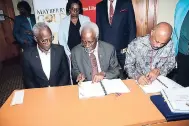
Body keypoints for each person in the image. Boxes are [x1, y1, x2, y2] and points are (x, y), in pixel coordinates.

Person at [22, 22, 70, 88]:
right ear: (36, 39)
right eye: (44, 40)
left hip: (59, 90)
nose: (49, 43)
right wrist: (39, 93)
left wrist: (58, 90)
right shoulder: (27, 55)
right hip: (39, 93)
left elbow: (65, 73)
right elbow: (28, 79)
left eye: (50, 38)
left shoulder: (60, 50)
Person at [96, 0, 136, 77]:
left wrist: (131, 48)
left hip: (122, 49)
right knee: (108, 76)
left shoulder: (126, 3)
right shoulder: (100, 5)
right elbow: (99, 27)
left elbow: (132, 26)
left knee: (125, 75)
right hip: (106, 50)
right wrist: (100, 47)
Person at [172, 0, 189, 87]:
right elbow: (176, 30)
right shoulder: (182, 3)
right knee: (182, 84)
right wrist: (173, 51)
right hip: (182, 53)